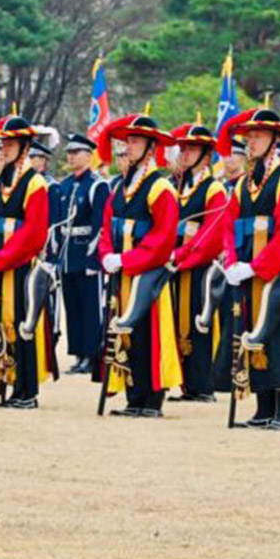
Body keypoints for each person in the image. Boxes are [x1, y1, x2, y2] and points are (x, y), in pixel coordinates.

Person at [220, 109, 280, 430]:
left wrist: (256, 267)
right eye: (249, 136)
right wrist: (232, 262)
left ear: (274, 140)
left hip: (278, 276)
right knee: (251, 336)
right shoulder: (242, 185)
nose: (252, 141)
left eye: (259, 135)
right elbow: (229, 225)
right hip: (247, 272)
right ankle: (262, 409)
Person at [96, 114, 183, 419]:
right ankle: (134, 396)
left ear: (150, 148)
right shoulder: (121, 186)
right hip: (122, 273)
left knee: (149, 334)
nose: (128, 147)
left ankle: (151, 398)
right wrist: (107, 253)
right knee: (128, 334)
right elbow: (107, 225)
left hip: (148, 274)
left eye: (134, 141)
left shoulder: (160, 188)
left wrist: (127, 259)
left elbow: (163, 238)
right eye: (127, 141)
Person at [0, 116, 52, 409]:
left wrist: (0, 258)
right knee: (0, 323)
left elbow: (34, 232)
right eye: (3, 143)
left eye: (10, 144)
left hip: (22, 264)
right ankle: (5, 381)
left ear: (24, 148)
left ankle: (27, 389)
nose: (3, 148)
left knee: (24, 323)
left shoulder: (35, 183)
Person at [168, 123, 227, 402]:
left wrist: (182, 256)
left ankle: (202, 385)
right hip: (171, 265)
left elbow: (211, 233)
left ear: (206, 155)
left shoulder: (214, 188)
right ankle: (184, 382)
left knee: (198, 324)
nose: (185, 153)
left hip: (199, 267)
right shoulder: (173, 185)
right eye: (183, 148)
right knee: (175, 322)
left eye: (192, 148)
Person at [53, 134, 109, 375]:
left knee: (90, 306)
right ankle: (78, 354)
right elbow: (56, 223)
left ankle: (91, 354)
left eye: (76, 152)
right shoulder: (64, 185)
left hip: (86, 251)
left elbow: (100, 225)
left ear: (89, 155)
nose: (71, 156)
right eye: (69, 152)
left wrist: (93, 258)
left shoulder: (97, 185)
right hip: (67, 254)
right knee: (72, 307)